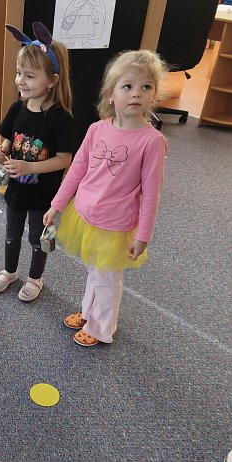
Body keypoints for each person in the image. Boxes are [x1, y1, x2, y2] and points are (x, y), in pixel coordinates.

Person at [43, 49, 168, 347]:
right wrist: (57, 204)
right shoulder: (96, 129)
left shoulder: (152, 142)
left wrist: (143, 235)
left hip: (116, 224)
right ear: (110, 94)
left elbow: (151, 193)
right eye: (127, 86)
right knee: (94, 272)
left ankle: (101, 329)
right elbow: (76, 170)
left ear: (154, 95)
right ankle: (89, 313)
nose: (136, 93)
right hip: (87, 214)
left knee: (108, 279)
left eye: (146, 87)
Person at [0, 22, 74, 302]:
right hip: (16, 189)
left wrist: (30, 167)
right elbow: (7, 142)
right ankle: (9, 271)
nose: (20, 81)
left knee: (38, 238)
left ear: (51, 81)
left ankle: (36, 278)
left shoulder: (60, 118)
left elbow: (64, 159)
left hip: (43, 194)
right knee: (11, 234)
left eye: (29, 76)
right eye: (18, 73)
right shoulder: (17, 109)